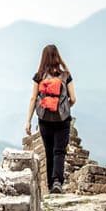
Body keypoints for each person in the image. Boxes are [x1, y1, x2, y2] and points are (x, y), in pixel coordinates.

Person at [25, 44, 76, 193]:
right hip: (62, 120)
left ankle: (49, 184)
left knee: (48, 152)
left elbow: (33, 98)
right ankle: (57, 182)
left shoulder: (39, 76)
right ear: (58, 56)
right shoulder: (66, 75)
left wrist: (28, 120)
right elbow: (73, 98)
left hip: (44, 119)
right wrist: (64, 108)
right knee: (59, 151)